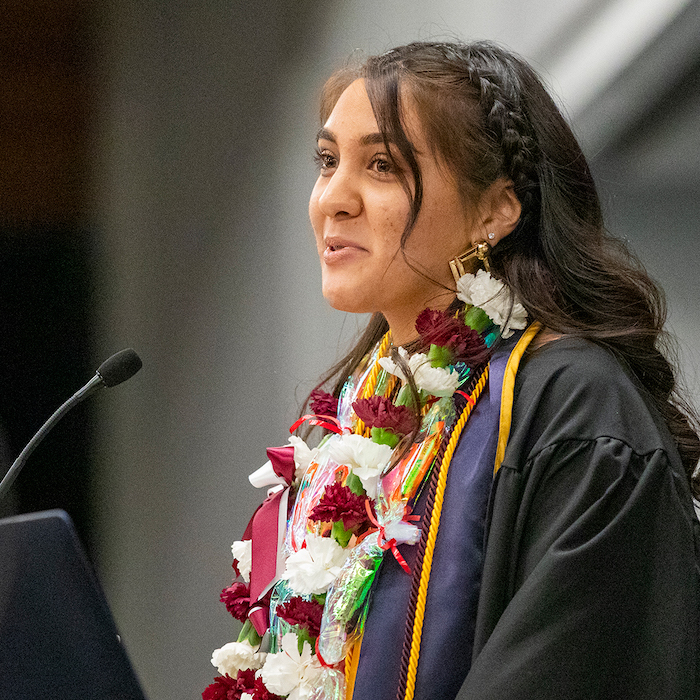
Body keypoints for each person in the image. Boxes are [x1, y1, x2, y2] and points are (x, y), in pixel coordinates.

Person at [203, 41, 700, 700]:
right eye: (327, 162)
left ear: (495, 210)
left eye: (381, 166)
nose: (333, 199)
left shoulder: (573, 404)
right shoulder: (357, 420)